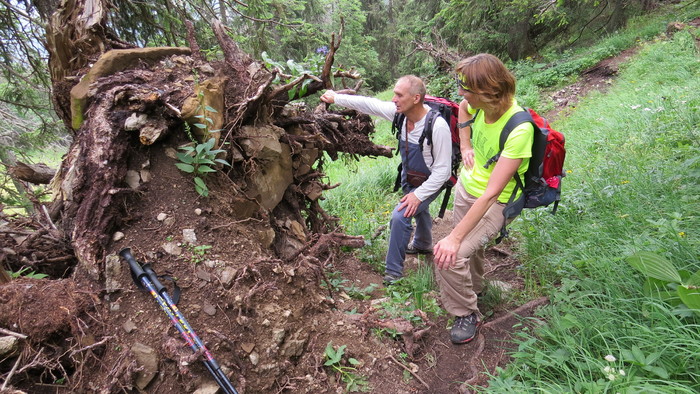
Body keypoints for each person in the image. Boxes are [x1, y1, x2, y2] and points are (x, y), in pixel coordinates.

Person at [432, 54, 534, 344]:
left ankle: (466, 313)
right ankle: (474, 288)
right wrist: (465, 145)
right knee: (468, 250)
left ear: (487, 91)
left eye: (466, 88)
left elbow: (492, 194)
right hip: (467, 188)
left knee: (449, 256)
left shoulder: (518, 128)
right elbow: (463, 109)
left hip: (497, 202)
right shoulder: (476, 106)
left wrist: (453, 237)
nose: (461, 93)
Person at [320, 76, 452, 285]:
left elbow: (443, 171)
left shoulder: (438, 126)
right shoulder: (399, 115)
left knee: (400, 217)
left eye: (399, 95)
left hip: (431, 181)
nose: (394, 99)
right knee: (416, 208)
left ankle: (393, 274)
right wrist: (335, 98)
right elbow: (370, 104)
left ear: (416, 98)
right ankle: (423, 244)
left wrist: (419, 195)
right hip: (409, 177)